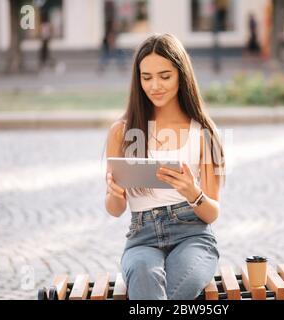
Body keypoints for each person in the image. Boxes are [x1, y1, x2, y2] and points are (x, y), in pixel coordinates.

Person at [104, 33, 226, 300]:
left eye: (165, 76)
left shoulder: (206, 132)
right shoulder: (121, 132)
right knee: (145, 274)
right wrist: (115, 194)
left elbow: (212, 213)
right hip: (142, 238)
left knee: (173, 291)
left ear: (181, 75)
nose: (155, 85)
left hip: (193, 236)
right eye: (146, 77)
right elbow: (115, 210)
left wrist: (192, 192)